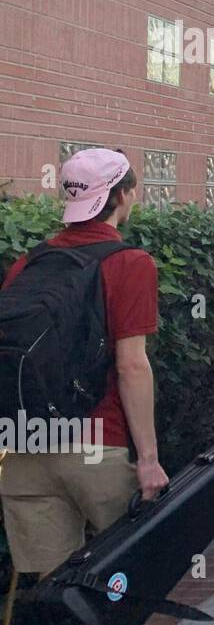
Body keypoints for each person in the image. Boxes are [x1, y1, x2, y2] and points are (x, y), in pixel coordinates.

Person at [0, 149, 168, 577]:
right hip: (95, 444)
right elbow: (132, 366)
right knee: (131, 578)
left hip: (24, 444)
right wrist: (148, 459)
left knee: (55, 594)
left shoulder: (26, 264)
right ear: (124, 195)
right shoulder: (129, 263)